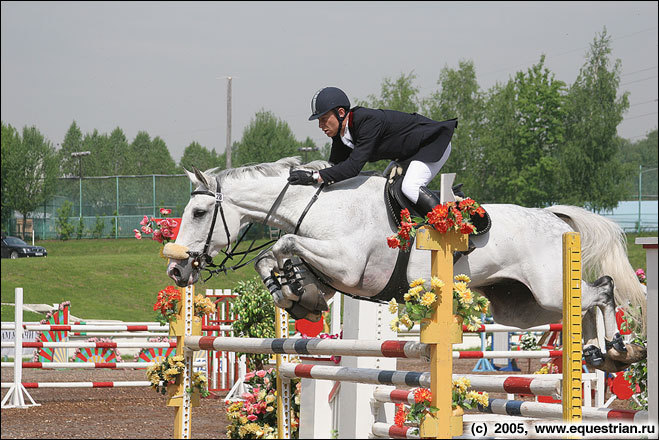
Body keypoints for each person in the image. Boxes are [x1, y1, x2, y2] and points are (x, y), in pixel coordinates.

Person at [288, 86, 458, 215]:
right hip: (407, 154)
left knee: (410, 187)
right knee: (384, 191)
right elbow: (334, 168)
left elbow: (353, 168)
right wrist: (308, 176)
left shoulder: (366, 121)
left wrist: (313, 177)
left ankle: (452, 229)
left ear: (340, 113)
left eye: (324, 119)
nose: (320, 125)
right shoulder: (341, 135)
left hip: (431, 143)